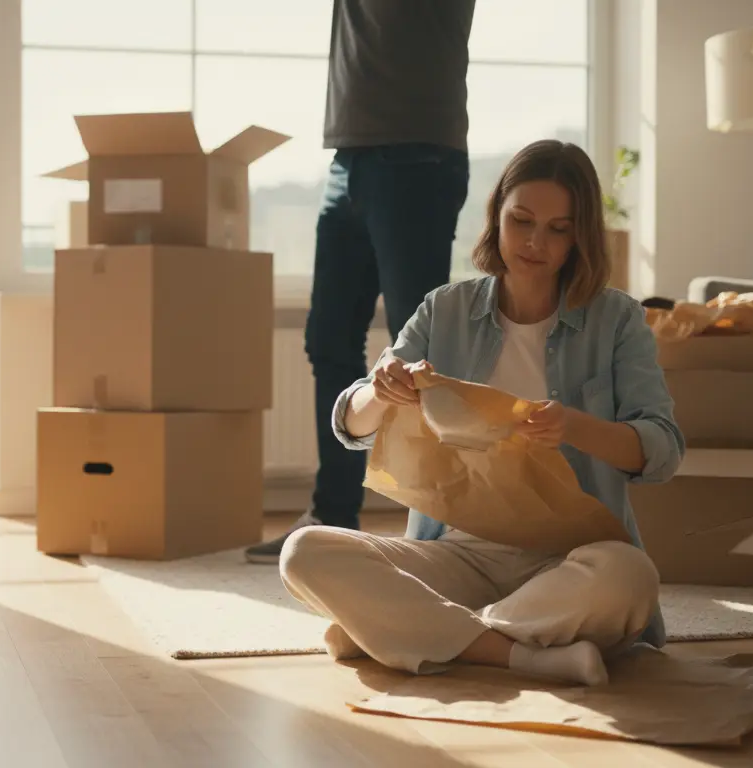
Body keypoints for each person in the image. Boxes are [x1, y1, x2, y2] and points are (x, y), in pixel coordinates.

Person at [277, 140, 685, 686]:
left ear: (580, 236)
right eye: (522, 220)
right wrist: (379, 391)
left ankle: (411, 632)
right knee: (304, 550)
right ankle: (519, 653)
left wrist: (576, 427)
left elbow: (662, 449)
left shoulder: (617, 320)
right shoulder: (444, 310)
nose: (536, 242)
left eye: (559, 228)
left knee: (631, 577)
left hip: (566, 562)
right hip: (456, 556)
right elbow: (350, 423)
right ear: (497, 216)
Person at [245, 0, 478, 564]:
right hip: (348, 158)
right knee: (328, 339)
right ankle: (334, 514)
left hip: (418, 157)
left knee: (421, 353)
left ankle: (442, 531)